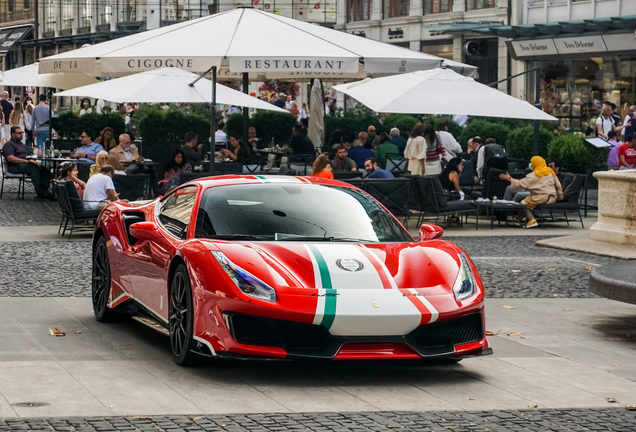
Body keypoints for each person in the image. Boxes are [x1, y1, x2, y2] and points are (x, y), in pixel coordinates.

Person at [499, 156, 563, 228]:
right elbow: (559, 186)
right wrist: (560, 197)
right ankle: (517, 220)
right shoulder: (550, 172)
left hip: (541, 197)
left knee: (523, 203)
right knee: (528, 202)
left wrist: (510, 178)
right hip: (552, 197)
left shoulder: (534, 175)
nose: (531, 165)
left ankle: (532, 220)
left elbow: (521, 184)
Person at [2, 126, 53, 200]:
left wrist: (35, 161)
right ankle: (41, 192)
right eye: (19, 133)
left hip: (27, 163)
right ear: (13, 134)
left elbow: (29, 156)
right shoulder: (9, 144)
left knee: (44, 169)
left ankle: (44, 190)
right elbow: (10, 158)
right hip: (15, 166)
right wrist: (26, 161)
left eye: (22, 132)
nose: (21, 134)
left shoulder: (23, 145)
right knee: (34, 169)